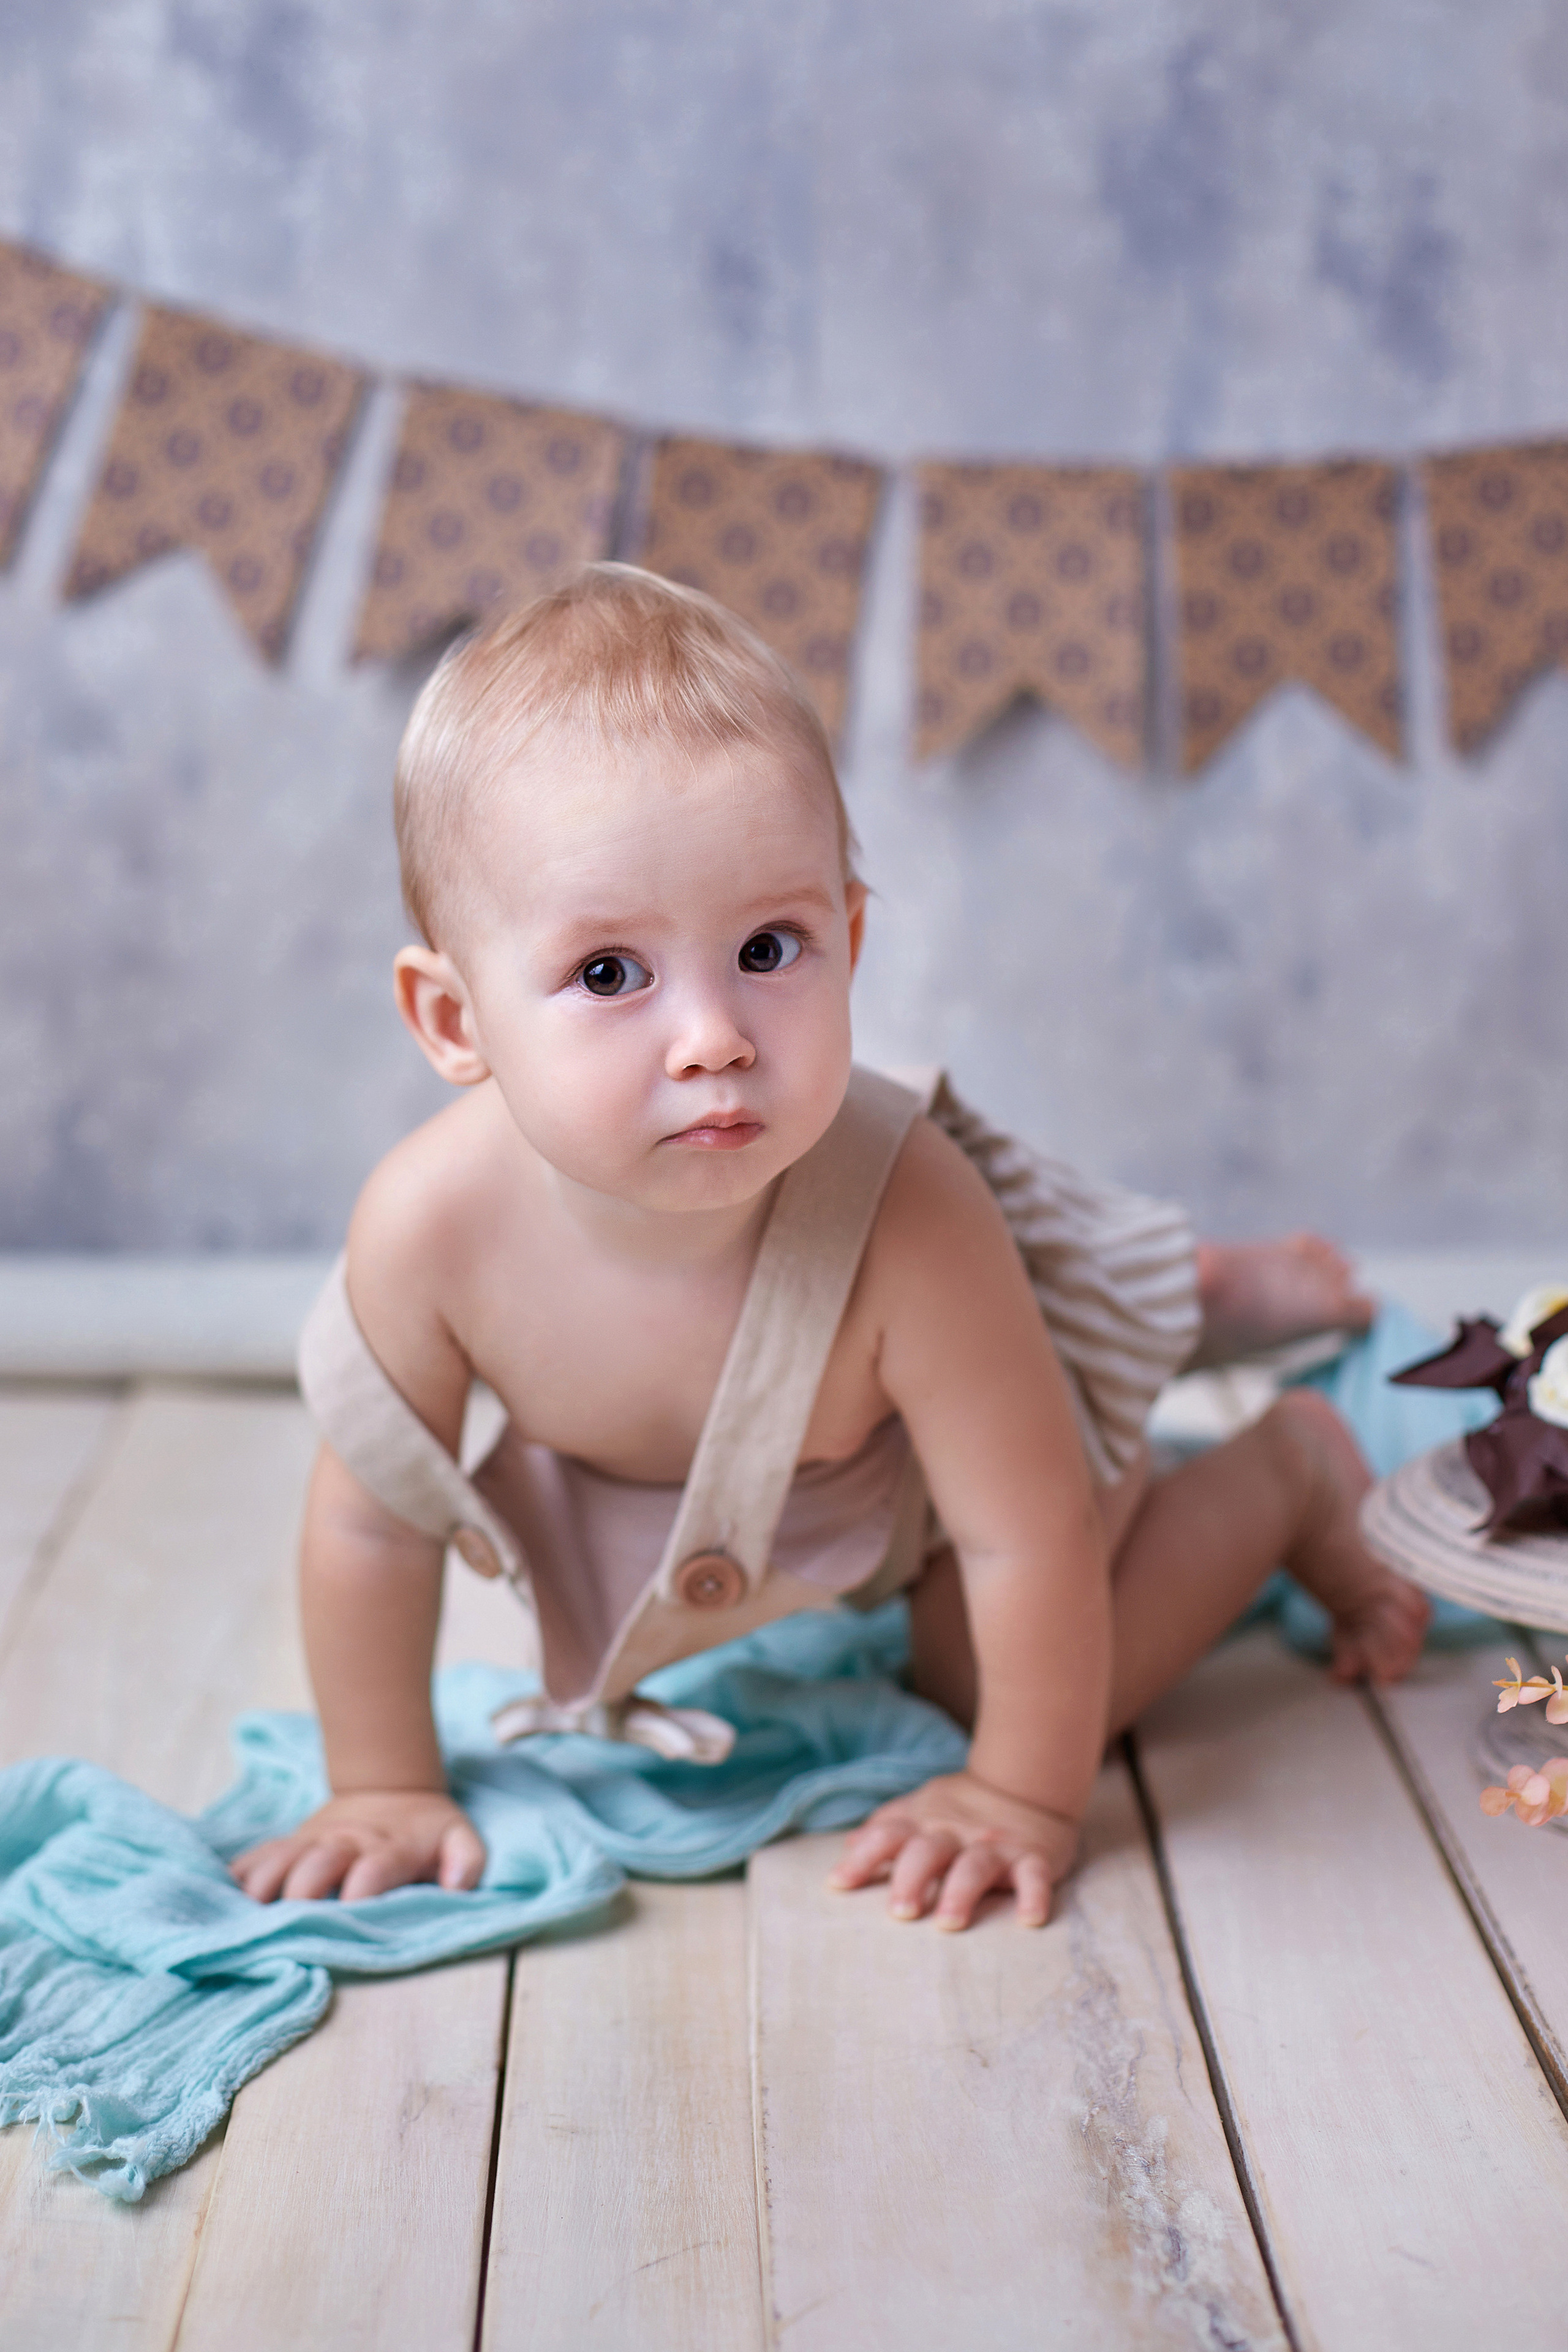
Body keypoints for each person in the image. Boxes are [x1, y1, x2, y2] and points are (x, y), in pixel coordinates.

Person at [232, 565, 1426, 1932]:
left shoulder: (909, 1221)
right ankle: (1209, 1291)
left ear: (849, 941)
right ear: (453, 1022)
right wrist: (381, 1783)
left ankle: (1279, 1474)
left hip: (966, 1446)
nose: (716, 1036)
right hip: (774, 1494)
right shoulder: (428, 1233)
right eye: (610, 974)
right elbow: (370, 1524)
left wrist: (1021, 1795)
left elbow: (1022, 1533)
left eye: (768, 946)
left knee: (977, 1678)